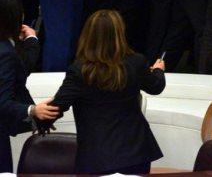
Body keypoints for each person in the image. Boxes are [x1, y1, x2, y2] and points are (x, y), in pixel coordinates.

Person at [42, 10, 165, 174]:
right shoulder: (136, 62)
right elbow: (155, 86)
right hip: (136, 152)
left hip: (97, 157)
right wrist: (158, 70)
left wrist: (41, 121)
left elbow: (56, 107)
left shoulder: (79, 70)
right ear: (120, 34)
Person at [0, 0, 59, 172]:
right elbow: (2, 101)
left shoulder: (7, 48)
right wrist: (33, 110)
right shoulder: (6, 53)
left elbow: (18, 70)